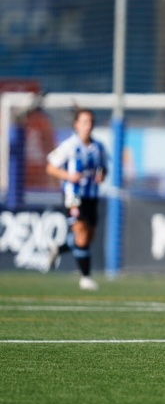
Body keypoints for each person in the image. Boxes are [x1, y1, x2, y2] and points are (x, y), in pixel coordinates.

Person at [45, 108, 107, 291]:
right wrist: (67, 175)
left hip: (92, 196)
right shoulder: (69, 146)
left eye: (90, 122)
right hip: (73, 195)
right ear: (76, 125)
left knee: (87, 237)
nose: (88, 126)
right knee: (81, 232)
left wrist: (101, 175)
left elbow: (103, 168)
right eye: (84, 122)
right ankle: (85, 278)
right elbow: (50, 168)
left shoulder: (98, 147)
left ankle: (59, 248)